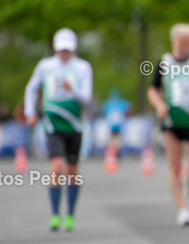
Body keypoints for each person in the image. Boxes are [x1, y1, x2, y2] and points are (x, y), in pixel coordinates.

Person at [147, 23, 189, 227]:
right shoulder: (164, 62)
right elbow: (153, 89)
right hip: (171, 121)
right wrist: (159, 104)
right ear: (173, 41)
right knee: (175, 168)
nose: (184, 45)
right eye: (181, 41)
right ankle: (182, 209)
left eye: (187, 41)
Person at [24, 28, 93, 232]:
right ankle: (55, 214)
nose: (64, 53)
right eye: (61, 49)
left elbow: (86, 98)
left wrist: (73, 89)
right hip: (52, 124)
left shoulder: (83, 67)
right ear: (55, 48)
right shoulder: (46, 66)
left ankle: (70, 214)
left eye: (68, 50)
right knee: (56, 169)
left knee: (72, 171)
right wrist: (30, 111)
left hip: (74, 124)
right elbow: (32, 88)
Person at [103, 88, 132, 155]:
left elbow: (104, 112)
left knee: (112, 138)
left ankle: (113, 151)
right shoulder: (122, 103)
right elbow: (130, 107)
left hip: (111, 124)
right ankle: (117, 150)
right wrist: (127, 115)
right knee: (117, 138)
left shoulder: (108, 103)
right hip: (119, 124)